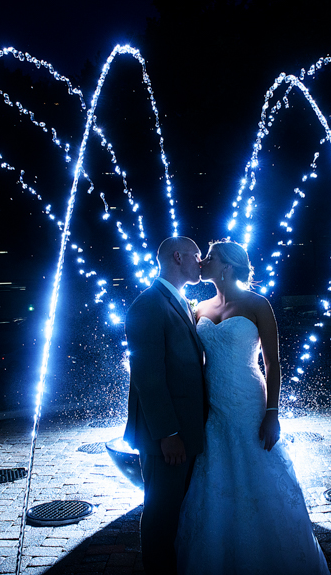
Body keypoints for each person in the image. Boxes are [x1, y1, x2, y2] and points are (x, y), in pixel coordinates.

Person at [175, 240, 330, 575]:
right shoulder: (199, 308)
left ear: (228, 266)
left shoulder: (258, 304)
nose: (202, 260)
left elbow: (272, 362)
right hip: (214, 408)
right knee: (218, 475)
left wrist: (272, 413)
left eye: (210, 257)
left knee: (257, 471)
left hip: (249, 402)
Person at [123, 236, 208, 575]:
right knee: (161, 512)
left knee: (176, 509)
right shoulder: (148, 304)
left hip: (186, 430)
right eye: (197, 254)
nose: (200, 262)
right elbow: (148, 376)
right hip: (166, 437)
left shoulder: (181, 302)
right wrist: (169, 432)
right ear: (178, 256)